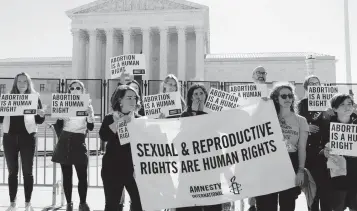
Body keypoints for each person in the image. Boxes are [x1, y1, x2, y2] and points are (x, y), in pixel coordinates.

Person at [256, 83, 308, 211]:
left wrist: (300, 171)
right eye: (283, 96)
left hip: (291, 163)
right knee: (266, 205)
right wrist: (260, 107)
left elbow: (302, 148)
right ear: (276, 98)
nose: (287, 99)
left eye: (290, 96)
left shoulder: (301, 120)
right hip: (268, 163)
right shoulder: (267, 117)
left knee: (287, 205)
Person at [0, 72, 46, 211]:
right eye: (19, 81)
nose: (22, 84)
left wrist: (41, 115)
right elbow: (1, 119)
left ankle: (28, 203)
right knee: (12, 171)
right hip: (10, 138)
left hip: (28, 137)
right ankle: (13, 203)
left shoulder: (34, 97)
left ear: (28, 83)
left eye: (24, 81)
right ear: (15, 83)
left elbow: (38, 120)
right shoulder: (7, 97)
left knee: (27, 171)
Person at [176, 84, 224, 211]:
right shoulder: (185, 114)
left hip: (210, 165)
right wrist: (194, 112)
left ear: (206, 96)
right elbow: (186, 135)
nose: (199, 96)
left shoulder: (213, 114)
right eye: (195, 94)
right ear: (191, 98)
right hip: (191, 166)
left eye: (201, 93)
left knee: (211, 204)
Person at [51, 80, 95, 211]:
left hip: (79, 139)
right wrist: (60, 118)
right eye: (72, 88)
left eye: (78, 88)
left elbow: (91, 127)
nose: (75, 90)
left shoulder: (88, 105)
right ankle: (69, 203)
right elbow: (58, 126)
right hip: (65, 139)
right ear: (69, 91)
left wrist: (90, 116)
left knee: (82, 175)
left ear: (82, 91)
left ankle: (83, 203)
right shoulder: (64, 104)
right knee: (67, 175)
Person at [99, 85, 143, 211]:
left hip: (134, 170)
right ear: (120, 100)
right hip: (112, 169)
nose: (133, 101)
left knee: (139, 204)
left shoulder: (140, 120)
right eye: (129, 97)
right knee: (112, 205)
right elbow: (104, 136)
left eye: (135, 98)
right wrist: (120, 122)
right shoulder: (110, 118)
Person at [297, 75, 332, 211]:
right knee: (313, 189)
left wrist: (330, 113)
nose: (315, 85)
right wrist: (307, 127)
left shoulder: (327, 105)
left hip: (326, 151)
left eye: (317, 83)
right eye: (311, 83)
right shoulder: (303, 103)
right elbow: (298, 122)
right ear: (306, 87)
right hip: (311, 152)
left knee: (326, 190)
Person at [322, 94, 357, 211]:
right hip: (336, 177)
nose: (347, 107)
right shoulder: (326, 126)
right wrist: (324, 152)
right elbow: (318, 148)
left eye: (349, 104)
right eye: (342, 104)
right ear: (334, 109)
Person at [247, 66, 268, 211]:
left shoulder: (270, 93)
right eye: (258, 73)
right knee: (250, 172)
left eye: (263, 73)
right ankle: (252, 205)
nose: (261, 75)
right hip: (249, 138)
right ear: (253, 75)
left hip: (265, 137)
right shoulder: (246, 92)